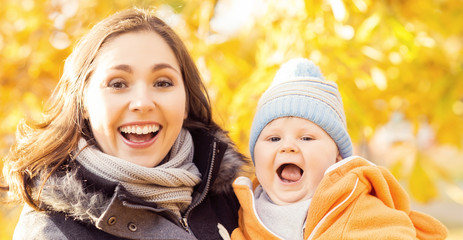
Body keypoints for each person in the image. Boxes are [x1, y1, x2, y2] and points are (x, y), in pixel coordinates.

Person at [2, 8, 247, 240]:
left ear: (185, 102)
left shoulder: (234, 196)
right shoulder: (52, 231)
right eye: (118, 84)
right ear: (83, 103)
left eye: (162, 83)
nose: (142, 103)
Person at [231, 58, 448, 240]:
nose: (287, 146)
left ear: (337, 157)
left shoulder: (355, 205)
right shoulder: (245, 211)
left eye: (306, 137)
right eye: (273, 138)